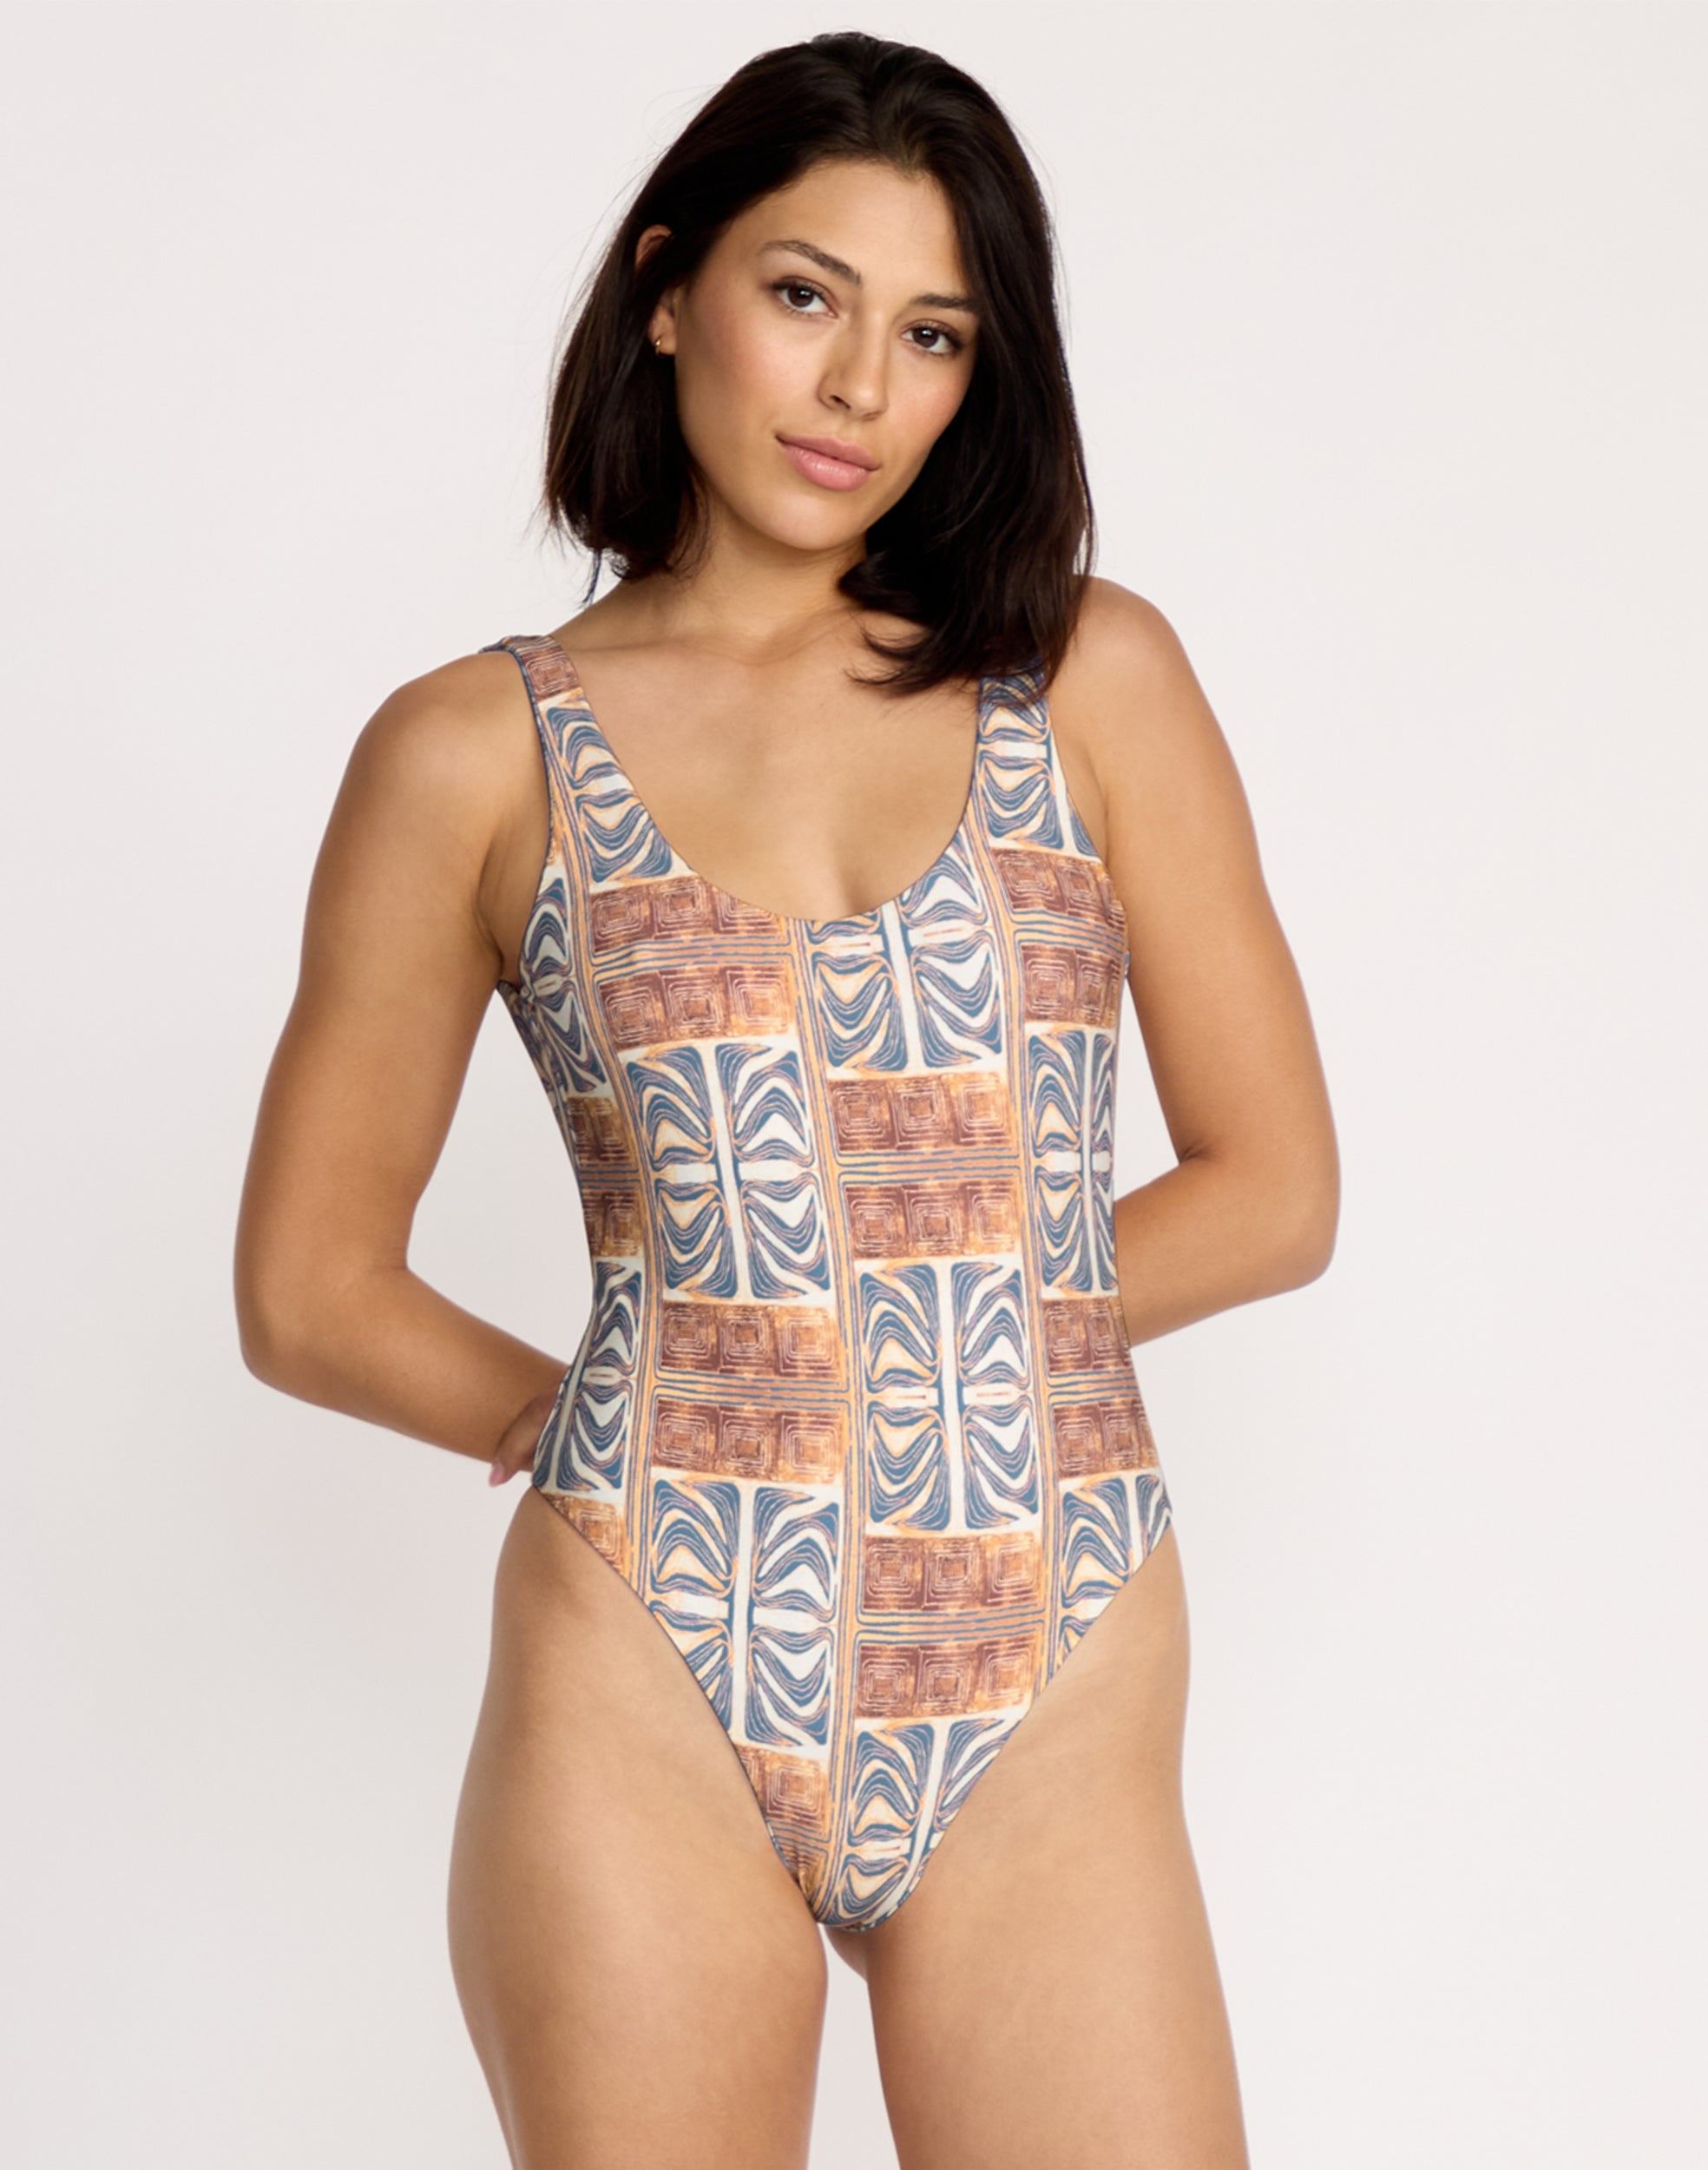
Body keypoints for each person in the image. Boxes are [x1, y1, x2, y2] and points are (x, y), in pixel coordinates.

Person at [235, 30, 1337, 2170]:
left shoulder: (1084, 676)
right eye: (806, 293)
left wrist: (920, 1329)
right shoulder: (472, 752)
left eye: (932, 333)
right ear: (669, 289)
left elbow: (1273, 1183)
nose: (856, 388)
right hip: (646, 1648)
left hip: (1045, 1632)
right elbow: (307, 1287)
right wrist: (636, 1397)